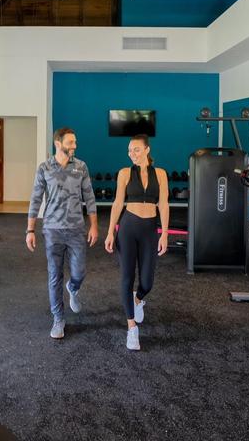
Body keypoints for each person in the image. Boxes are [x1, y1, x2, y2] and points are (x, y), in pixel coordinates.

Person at [27, 127, 98, 340]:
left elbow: (90, 197)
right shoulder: (45, 168)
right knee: (54, 275)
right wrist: (30, 229)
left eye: (75, 142)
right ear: (58, 144)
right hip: (52, 230)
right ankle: (58, 318)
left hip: (76, 229)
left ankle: (73, 288)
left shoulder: (81, 167)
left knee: (79, 272)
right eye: (70, 142)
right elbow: (35, 199)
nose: (74, 146)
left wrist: (94, 225)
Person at [104, 134, 169, 351]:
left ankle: (138, 299)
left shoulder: (160, 174)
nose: (132, 154)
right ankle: (132, 328)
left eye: (136, 150)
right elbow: (117, 203)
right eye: (130, 150)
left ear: (147, 150)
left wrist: (165, 233)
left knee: (148, 281)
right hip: (128, 227)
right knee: (127, 276)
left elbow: (164, 205)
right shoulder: (124, 173)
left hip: (150, 229)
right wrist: (110, 232)